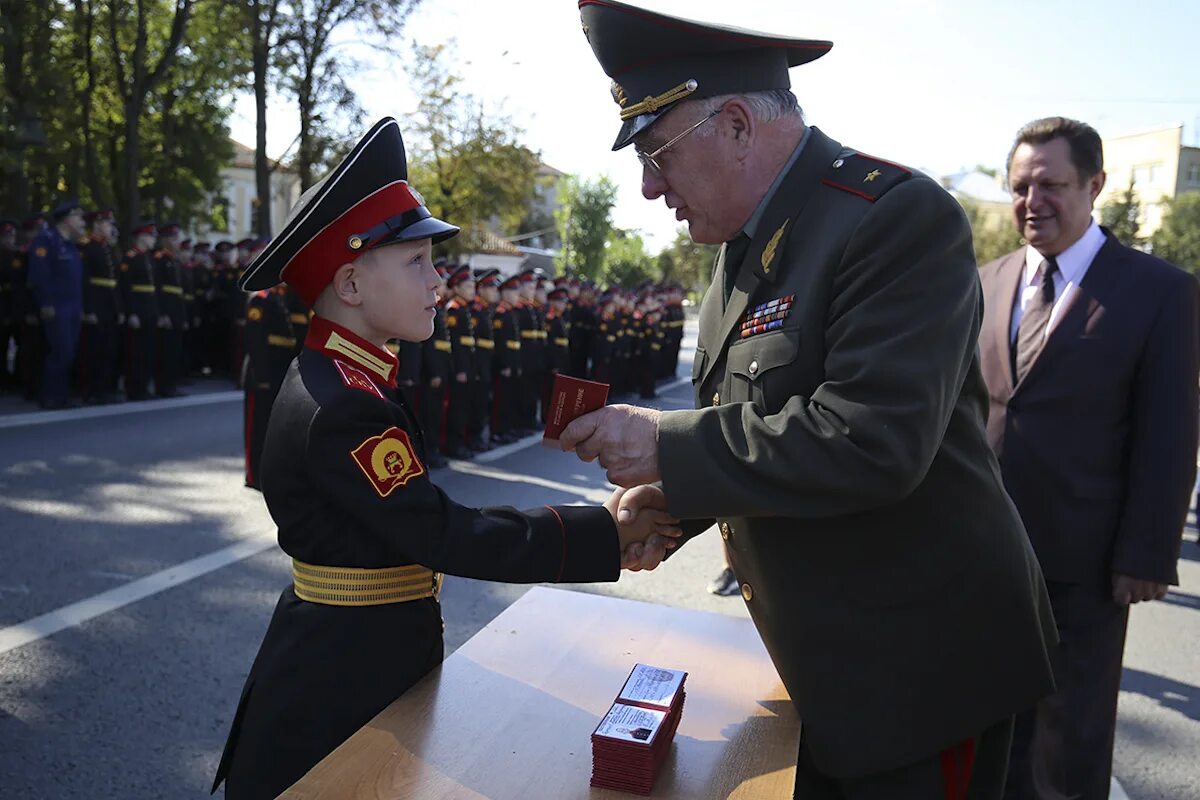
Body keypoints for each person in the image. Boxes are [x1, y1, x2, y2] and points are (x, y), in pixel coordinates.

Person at [567, 3, 1060, 798]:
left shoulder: (896, 217)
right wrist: (669, 505)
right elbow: (758, 425)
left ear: (734, 125)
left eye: (656, 152)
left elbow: (870, 442)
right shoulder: (737, 246)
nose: (650, 186)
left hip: (920, 672)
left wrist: (665, 444)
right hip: (829, 662)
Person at [211, 117, 678, 800]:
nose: (439, 282)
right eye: (417, 263)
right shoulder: (346, 404)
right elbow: (442, 534)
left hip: (355, 660)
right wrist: (603, 533)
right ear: (350, 285)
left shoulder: (345, 377)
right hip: (339, 688)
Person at [975, 117, 1200, 800]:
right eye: (1020, 186)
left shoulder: (1159, 291)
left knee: (1068, 740)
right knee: (991, 730)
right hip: (987, 557)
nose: (1031, 201)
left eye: (1051, 184)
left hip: (1090, 563)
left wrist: (1147, 555)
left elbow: (1170, 433)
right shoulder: (986, 281)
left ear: (1095, 185)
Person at [26, 200, 86, 409]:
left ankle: (60, 395)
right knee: (60, 350)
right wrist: (46, 302)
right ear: (66, 219)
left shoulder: (71, 245)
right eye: (78, 217)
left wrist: (79, 307)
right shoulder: (46, 241)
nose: (81, 222)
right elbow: (38, 275)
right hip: (56, 305)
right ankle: (50, 396)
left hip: (72, 306)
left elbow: (75, 279)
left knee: (68, 351)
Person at [79, 209, 123, 403]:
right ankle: (91, 390)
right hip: (96, 303)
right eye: (107, 224)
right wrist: (88, 309)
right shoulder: (87, 248)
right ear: (97, 225)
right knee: (93, 350)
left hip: (109, 304)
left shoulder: (107, 249)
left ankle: (104, 389)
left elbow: (115, 283)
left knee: (108, 349)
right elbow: (84, 281)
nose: (111, 228)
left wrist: (119, 308)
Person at [118, 222, 160, 401]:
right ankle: (134, 387)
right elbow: (126, 287)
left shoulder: (149, 258)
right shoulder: (130, 258)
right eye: (151, 236)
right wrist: (131, 312)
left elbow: (154, 288)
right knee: (135, 351)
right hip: (138, 308)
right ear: (142, 237)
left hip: (150, 308)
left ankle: (143, 386)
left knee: (148, 350)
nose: (153, 240)